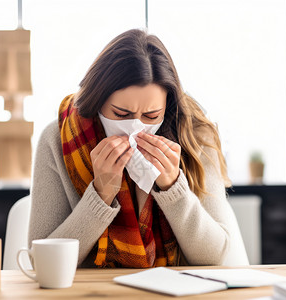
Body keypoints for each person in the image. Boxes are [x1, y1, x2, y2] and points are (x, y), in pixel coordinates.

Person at [29, 28, 246, 268]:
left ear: (168, 106)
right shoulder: (58, 138)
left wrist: (173, 188)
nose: (135, 127)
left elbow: (215, 257)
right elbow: (40, 263)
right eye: (121, 114)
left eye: (151, 116)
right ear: (98, 101)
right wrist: (100, 195)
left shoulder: (196, 136)